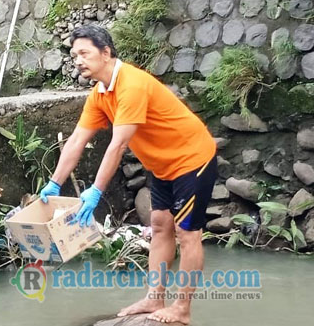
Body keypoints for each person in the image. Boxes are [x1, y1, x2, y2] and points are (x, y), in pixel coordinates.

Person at [40, 25, 217, 325]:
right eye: (74, 56)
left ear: (106, 52)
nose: (78, 60)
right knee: (161, 226)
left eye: (84, 53)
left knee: (188, 234)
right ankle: (154, 297)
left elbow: (118, 144)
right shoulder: (99, 94)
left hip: (191, 158)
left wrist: (96, 191)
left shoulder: (131, 85)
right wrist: (55, 183)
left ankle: (182, 309)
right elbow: (76, 141)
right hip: (160, 164)